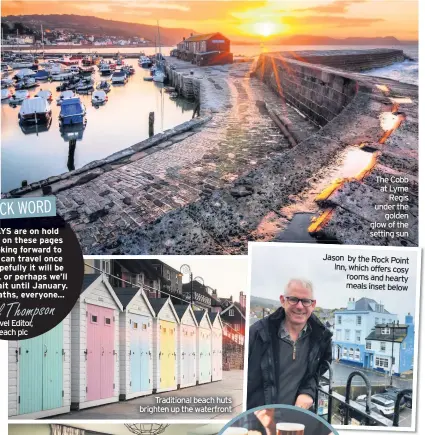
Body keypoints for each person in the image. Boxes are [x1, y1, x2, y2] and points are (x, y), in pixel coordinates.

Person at [247, 278, 332, 411]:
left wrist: (308, 391)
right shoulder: (257, 333)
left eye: (305, 301)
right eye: (293, 299)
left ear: (313, 304)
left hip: (296, 420)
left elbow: (317, 371)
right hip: (258, 420)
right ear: (283, 300)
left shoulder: (322, 337)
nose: (299, 306)